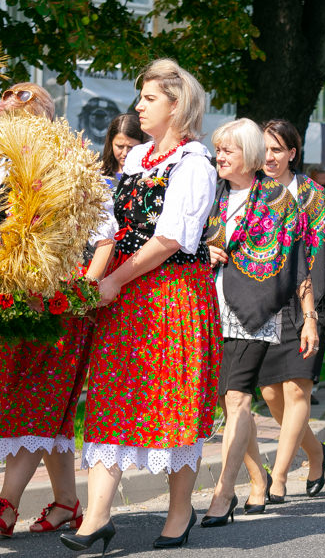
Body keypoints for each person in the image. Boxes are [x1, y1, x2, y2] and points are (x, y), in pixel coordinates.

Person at [61, 59, 221, 553]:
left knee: (172, 403)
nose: (139, 107)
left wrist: (115, 281)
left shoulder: (194, 163)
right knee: (110, 401)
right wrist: (90, 277)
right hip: (126, 295)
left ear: (177, 105)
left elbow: (172, 238)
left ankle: (178, 513)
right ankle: (97, 518)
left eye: (149, 99)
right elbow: (109, 230)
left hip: (173, 297)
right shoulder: (137, 159)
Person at [0, 84, 114, 538]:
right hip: (10, 298)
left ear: (43, 120)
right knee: (40, 411)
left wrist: (81, 292)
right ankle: (67, 503)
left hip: (57, 301)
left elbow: (106, 235)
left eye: (18, 116)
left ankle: (5, 506)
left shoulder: (70, 163)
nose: (9, 122)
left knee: (38, 405)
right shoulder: (2, 164)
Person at [200, 118, 315, 526]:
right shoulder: (210, 194)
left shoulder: (279, 199)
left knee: (237, 399)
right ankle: (256, 478)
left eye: (228, 149)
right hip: (208, 307)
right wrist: (204, 252)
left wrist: (310, 319)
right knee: (228, 402)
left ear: (248, 155)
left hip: (255, 310)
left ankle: (222, 493)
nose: (220, 155)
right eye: (218, 148)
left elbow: (298, 262)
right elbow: (189, 240)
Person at [257, 119, 325, 503]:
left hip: (312, 304)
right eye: (264, 149)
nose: (269, 156)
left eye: (277, 149)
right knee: (271, 394)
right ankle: (315, 451)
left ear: (292, 153)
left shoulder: (316, 197)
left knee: (296, 388)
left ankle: (277, 478)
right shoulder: (251, 192)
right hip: (263, 303)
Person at [100, 113, 146, 188]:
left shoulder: (149, 176)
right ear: (111, 144)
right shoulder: (98, 176)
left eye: (131, 147)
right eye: (120, 146)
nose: (125, 153)